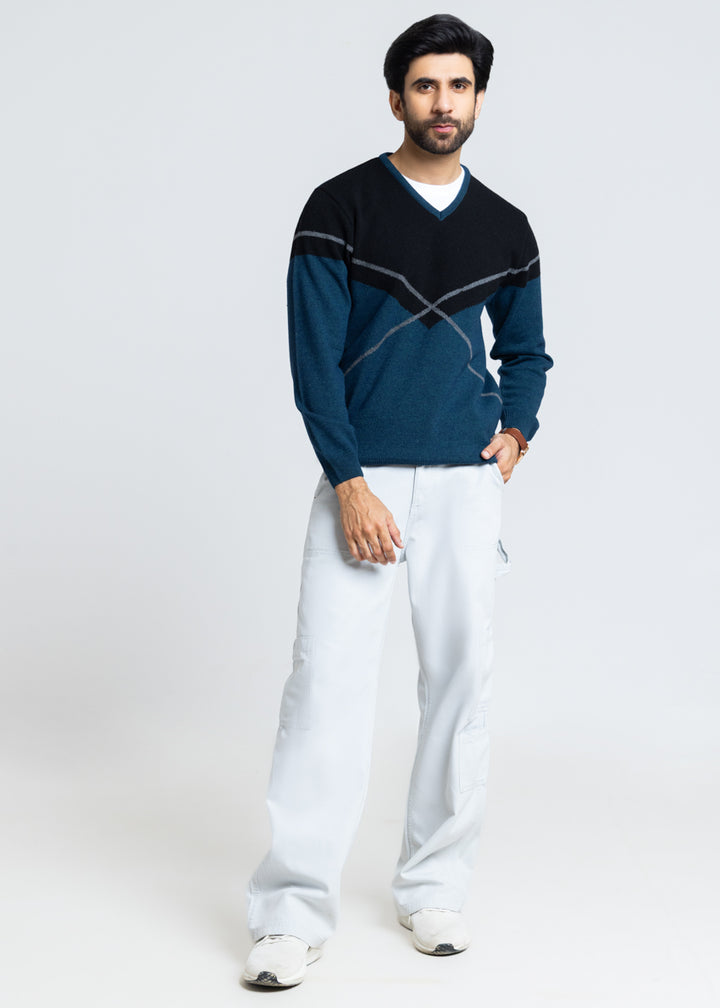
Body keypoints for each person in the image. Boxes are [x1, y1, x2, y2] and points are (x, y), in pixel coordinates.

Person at [243, 13, 552, 988]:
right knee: (326, 691)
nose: (442, 102)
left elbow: (528, 351)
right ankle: (291, 913)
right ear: (395, 97)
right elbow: (313, 365)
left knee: (461, 685)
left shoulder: (506, 226)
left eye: (458, 85)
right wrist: (349, 483)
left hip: (465, 485)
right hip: (364, 480)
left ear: (479, 98)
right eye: (425, 85)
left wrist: (517, 431)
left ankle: (433, 890)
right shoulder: (340, 208)